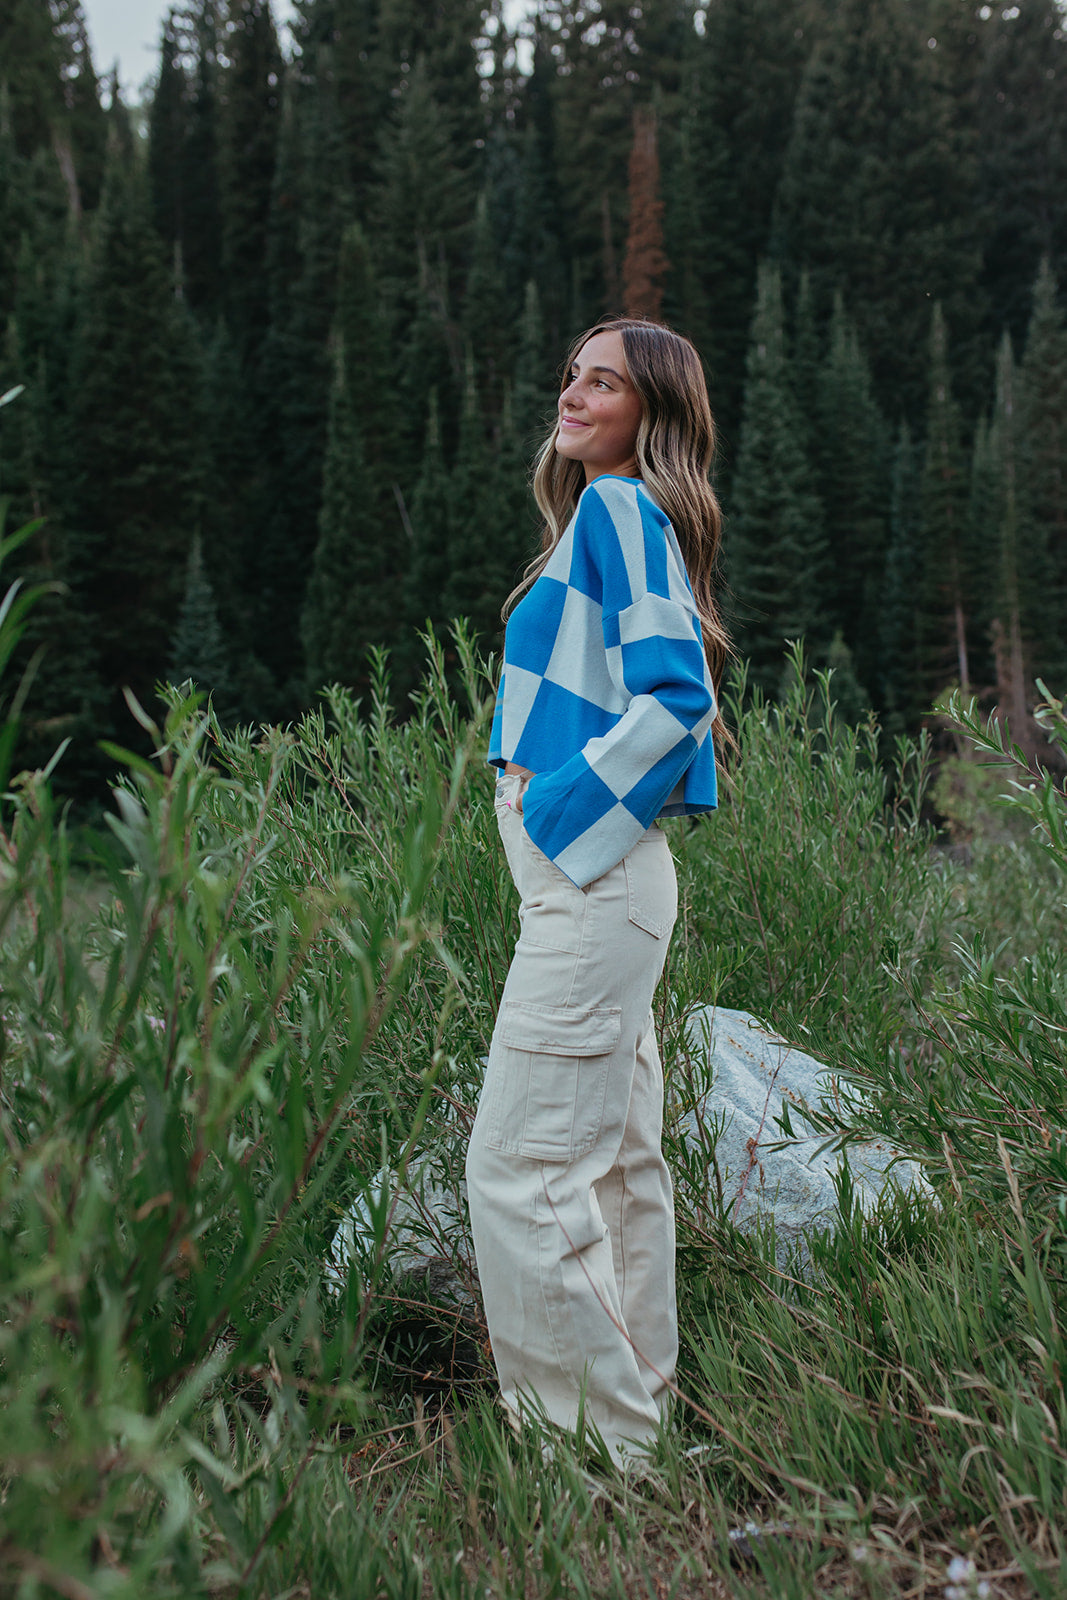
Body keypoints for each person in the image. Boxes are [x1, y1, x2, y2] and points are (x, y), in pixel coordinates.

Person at [465, 317, 730, 1466]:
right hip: (603, 885)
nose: (572, 393)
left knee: (518, 1172)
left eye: (603, 380)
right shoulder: (609, 517)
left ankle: (586, 1458)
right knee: (614, 1170)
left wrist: (550, 807)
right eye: (570, 373)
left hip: (592, 879)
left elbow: (678, 703)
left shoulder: (622, 510)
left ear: (650, 413)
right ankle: (638, 1437)